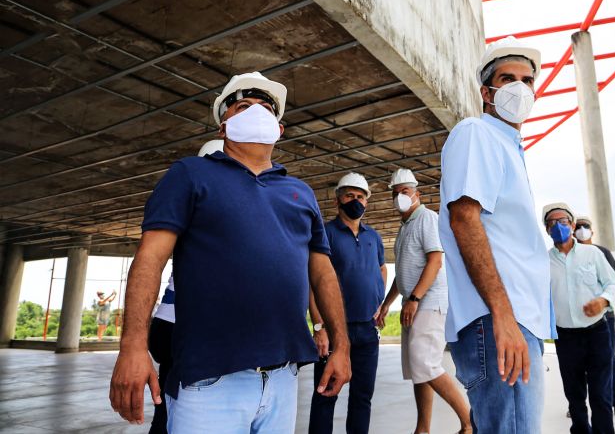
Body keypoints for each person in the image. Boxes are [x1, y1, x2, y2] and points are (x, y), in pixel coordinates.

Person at [109, 72, 350, 433]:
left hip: (283, 380)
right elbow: (150, 258)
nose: (256, 112)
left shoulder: (300, 192)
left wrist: (341, 346)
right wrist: (132, 346)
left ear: (279, 130)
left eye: (266, 108)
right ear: (223, 126)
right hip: (208, 382)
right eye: (243, 106)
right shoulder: (190, 174)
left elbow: (322, 273)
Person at [438, 36, 554, 433]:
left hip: (511, 318)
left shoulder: (509, 147)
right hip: (500, 318)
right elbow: (465, 218)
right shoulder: (477, 133)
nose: (519, 88)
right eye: (508, 79)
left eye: (527, 79)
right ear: (487, 92)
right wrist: (504, 316)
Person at [376, 168, 472, 434]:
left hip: (428, 303)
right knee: (419, 370)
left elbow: (436, 260)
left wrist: (415, 298)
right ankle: (423, 428)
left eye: (405, 192)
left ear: (417, 193)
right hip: (413, 303)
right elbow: (403, 273)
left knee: (426, 365)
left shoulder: (427, 218)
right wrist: (387, 304)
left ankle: (468, 423)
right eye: (395, 193)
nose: (399, 197)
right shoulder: (404, 227)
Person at [146, 139, 224, 434]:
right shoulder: (206, 209)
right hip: (186, 328)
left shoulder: (189, 208)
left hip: (168, 325)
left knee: (169, 408)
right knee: (185, 411)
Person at [308, 172, 386, 434]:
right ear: (338, 200)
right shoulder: (325, 233)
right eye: (350, 195)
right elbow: (313, 281)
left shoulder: (373, 237)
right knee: (325, 395)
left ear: (366, 202)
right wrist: (320, 326)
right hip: (334, 330)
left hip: (367, 330)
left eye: (360, 196)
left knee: (362, 398)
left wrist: (378, 299)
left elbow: (382, 269)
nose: (355, 200)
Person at [544, 202, 615, 434]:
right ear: (546, 230)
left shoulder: (592, 253)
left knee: (600, 395)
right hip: (565, 337)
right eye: (552, 223)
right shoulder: (543, 262)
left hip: (597, 332)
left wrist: (603, 300)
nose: (558, 226)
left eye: (563, 221)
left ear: (573, 225)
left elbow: (611, 282)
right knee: (574, 396)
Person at [574, 215, 615, 420]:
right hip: (578, 321)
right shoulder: (567, 255)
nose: (582, 229)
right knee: (578, 363)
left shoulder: (602, 252)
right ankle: (578, 404)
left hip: (604, 318)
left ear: (592, 230)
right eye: (578, 226)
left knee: (608, 360)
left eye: (585, 226)